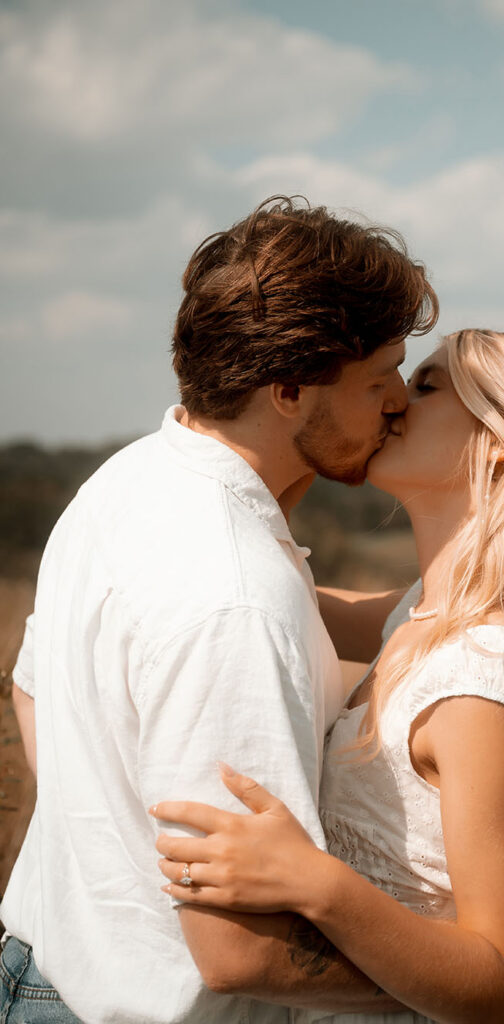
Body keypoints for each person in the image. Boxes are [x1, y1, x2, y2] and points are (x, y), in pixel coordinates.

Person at [0, 196, 439, 1023]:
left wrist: (108, 841)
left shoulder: (132, 480)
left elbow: (32, 689)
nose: (397, 401)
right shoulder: (234, 596)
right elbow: (241, 954)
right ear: (288, 389)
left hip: (46, 975)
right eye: (379, 376)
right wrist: (451, 982)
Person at [150, 329, 504, 1024]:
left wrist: (316, 883)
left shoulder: (482, 676)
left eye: (426, 386)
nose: (394, 401)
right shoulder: (420, 613)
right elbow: (269, 592)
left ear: (501, 440)